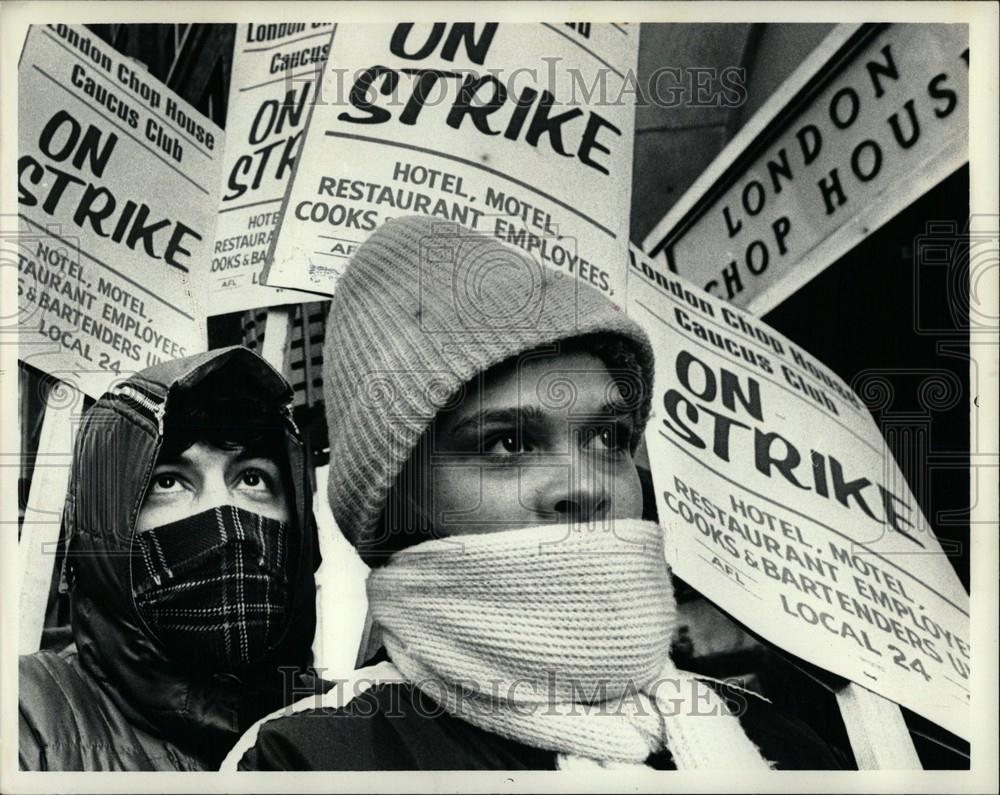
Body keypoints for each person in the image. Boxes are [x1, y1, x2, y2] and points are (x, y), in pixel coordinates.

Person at [230, 215, 844, 771]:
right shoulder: (311, 762)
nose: (584, 486)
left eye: (607, 438)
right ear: (399, 501)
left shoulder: (778, 739)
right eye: (508, 444)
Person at [19, 347, 324, 771]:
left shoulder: (350, 727)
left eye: (252, 478)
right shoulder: (28, 719)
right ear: (107, 525)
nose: (227, 522)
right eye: (168, 482)